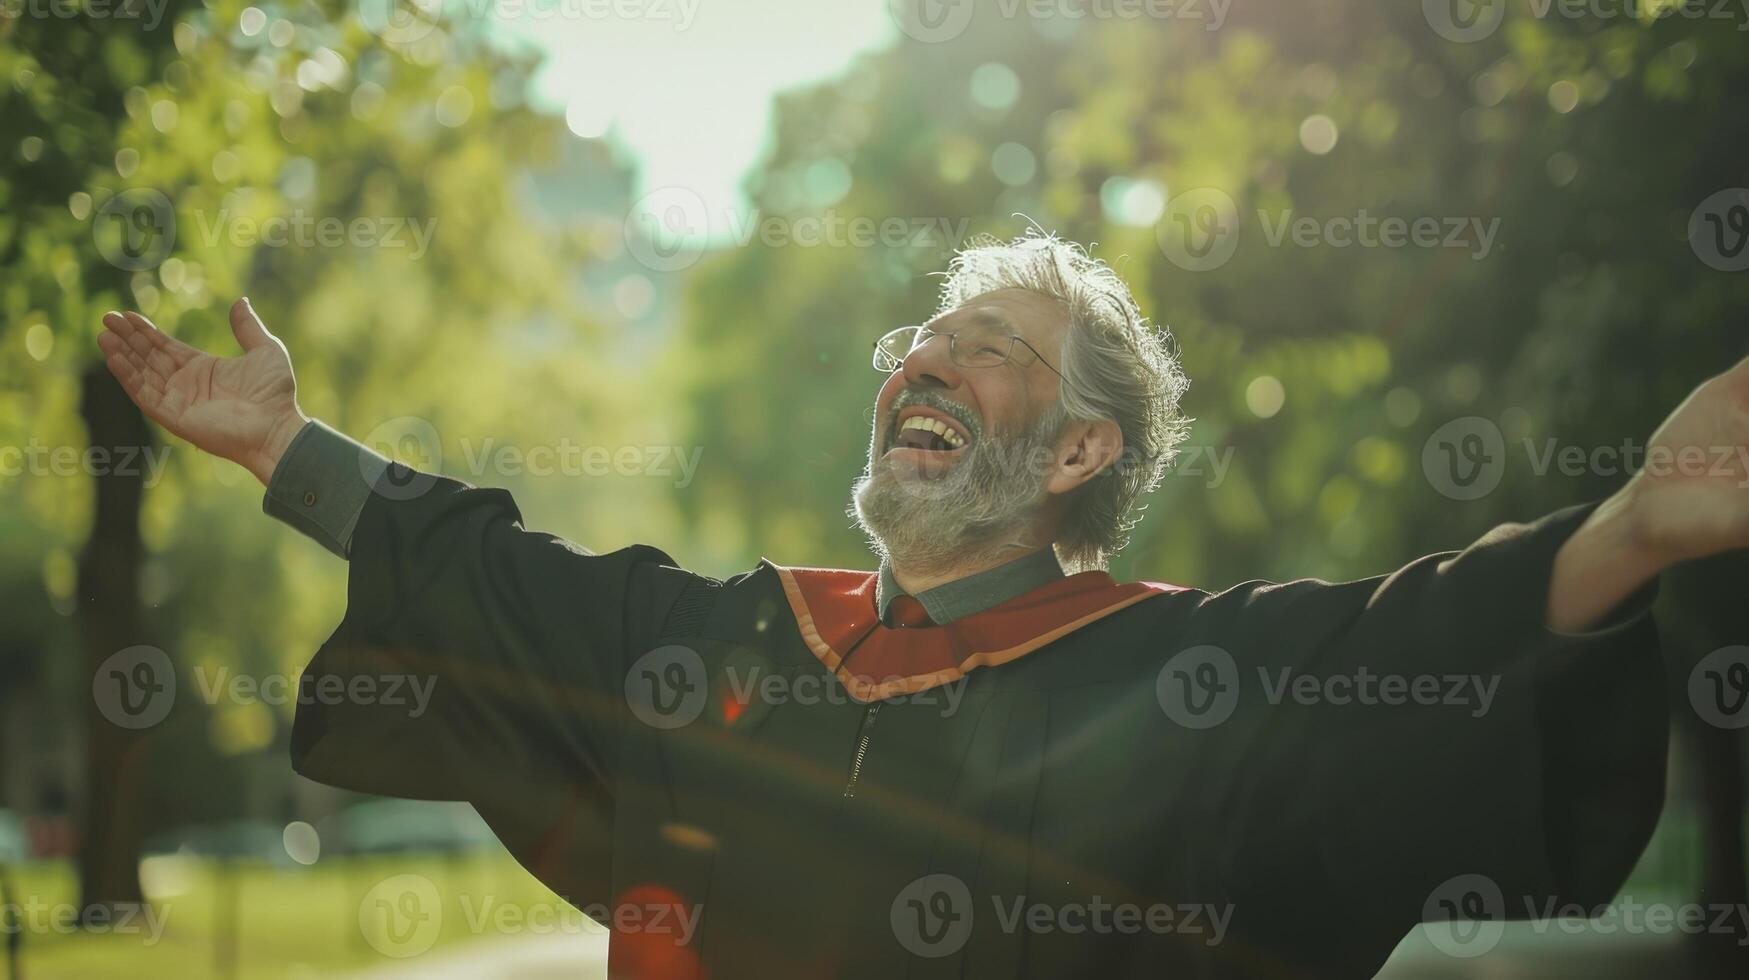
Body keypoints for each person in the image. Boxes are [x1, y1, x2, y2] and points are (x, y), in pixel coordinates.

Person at [95, 231, 1745, 978]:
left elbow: (1414, 633)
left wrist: (1628, 531)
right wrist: (286, 447)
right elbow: (487, 574)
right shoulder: (734, 640)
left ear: (1079, 445)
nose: (925, 362)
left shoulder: (1172, 673)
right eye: (921, 343)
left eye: (993, 351)